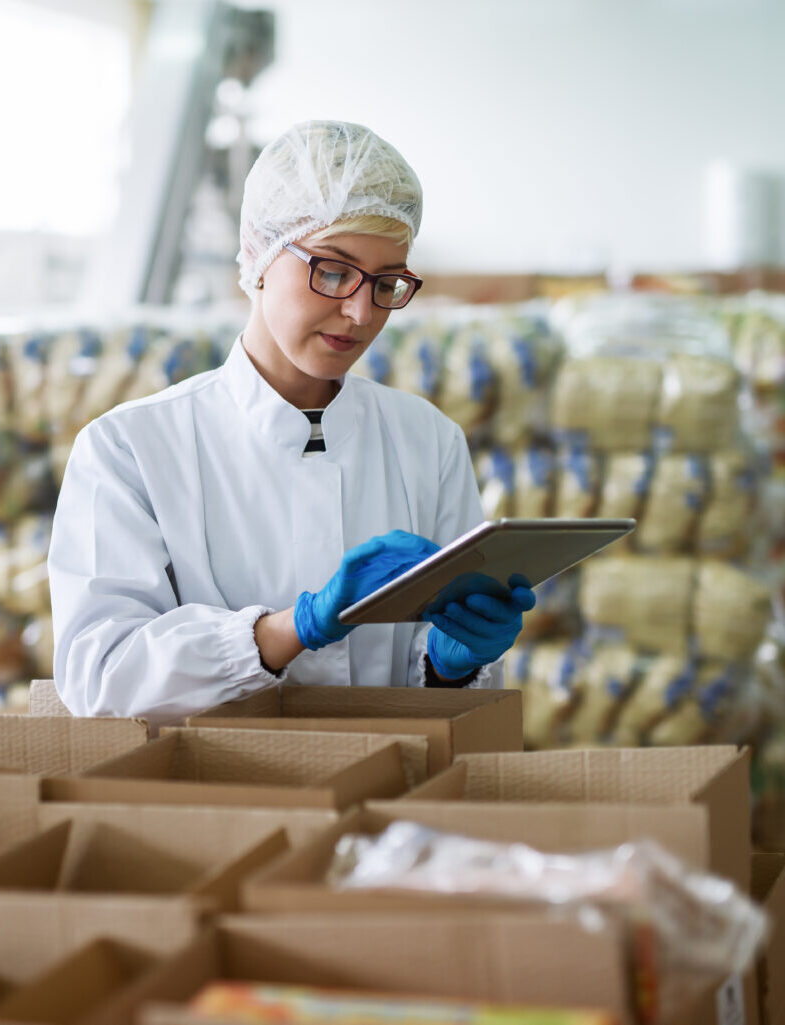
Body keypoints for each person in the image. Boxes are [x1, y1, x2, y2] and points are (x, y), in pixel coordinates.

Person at [48, 120, 535, 722]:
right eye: (332, 269)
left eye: (387, 282)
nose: (359, 311)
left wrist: (451, 667)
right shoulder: (131, 448)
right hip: (209, 801)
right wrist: (290, 630)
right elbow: (98, 676)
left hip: (391, 795)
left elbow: (449, 709)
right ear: (258, 252)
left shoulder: (427, 442)